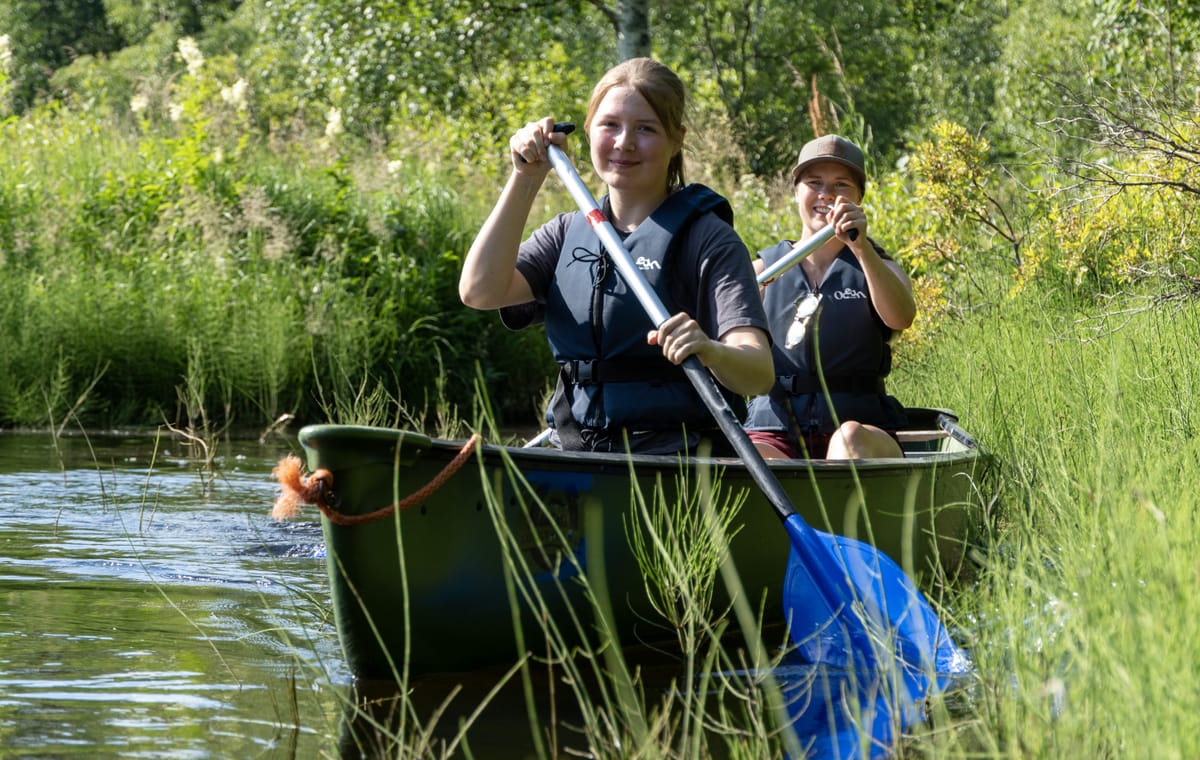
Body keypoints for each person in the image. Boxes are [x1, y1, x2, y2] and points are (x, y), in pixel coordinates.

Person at [459, 57, 773, 454]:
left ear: (677, 139)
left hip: (678, 456)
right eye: (610, 125)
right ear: (589, 130)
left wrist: (711, 350)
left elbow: (759, 373)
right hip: (577, 453)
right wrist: (525, 177)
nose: (624, 143)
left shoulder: (709, 240)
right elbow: (479, 291)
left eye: (646, 129)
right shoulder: (565, 233)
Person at [745, 135, 916, 459]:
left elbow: (901, 317)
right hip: (776, 428)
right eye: (814, 182)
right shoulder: (762, 270)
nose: (826, 195)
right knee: (752, 454)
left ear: (859, 198)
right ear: (796, 191)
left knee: (848, 439)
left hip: (859, 427)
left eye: (841, 185)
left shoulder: (879, 266)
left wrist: (860, 247)